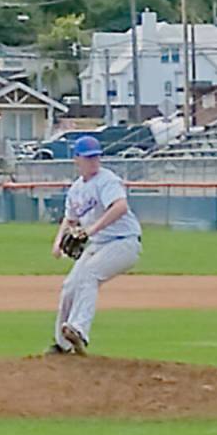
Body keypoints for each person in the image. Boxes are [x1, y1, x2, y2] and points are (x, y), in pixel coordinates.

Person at [47, 136, 142, 355]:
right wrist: (58, 242)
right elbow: (70, 219)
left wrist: (90, 230)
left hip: (124, 242)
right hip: (100, 244)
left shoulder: (106, 180)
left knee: (89, 275)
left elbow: (120, 206)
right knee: (70, 286)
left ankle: (79, 329)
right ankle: (63, 345)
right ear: (76, 159)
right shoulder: (76, 188)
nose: (93, 161)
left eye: (96, 157)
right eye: (88, 158)